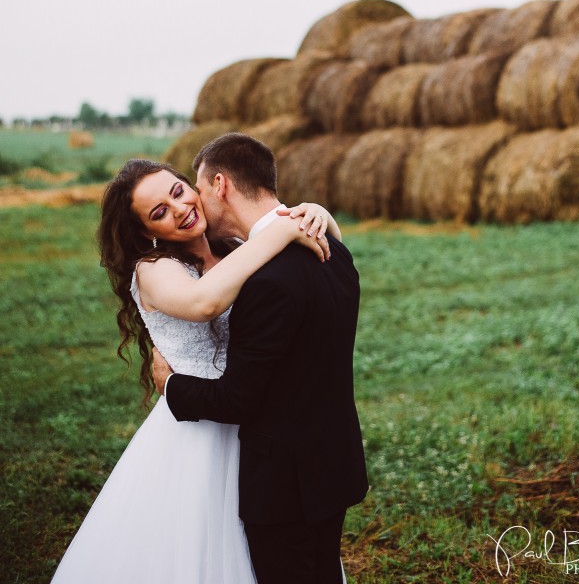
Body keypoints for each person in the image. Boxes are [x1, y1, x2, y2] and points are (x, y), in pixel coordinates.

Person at [51, 154, 340, 584]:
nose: (181, 209)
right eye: (159, 213)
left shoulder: (237, 249)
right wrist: (281, 227)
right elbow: (204, 302)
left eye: (178, 191)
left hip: (260, 421)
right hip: (199, 429)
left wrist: (320, 215)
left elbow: (324, 251)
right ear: (146, 232)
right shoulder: (153, 270)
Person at [153, 132, 369, 584]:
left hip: (285, 484)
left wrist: (171, 386)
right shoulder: (333, 247)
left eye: (195, 188)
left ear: (220, 185)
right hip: (332, 462)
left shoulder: (263, 281)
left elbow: (238, 400)